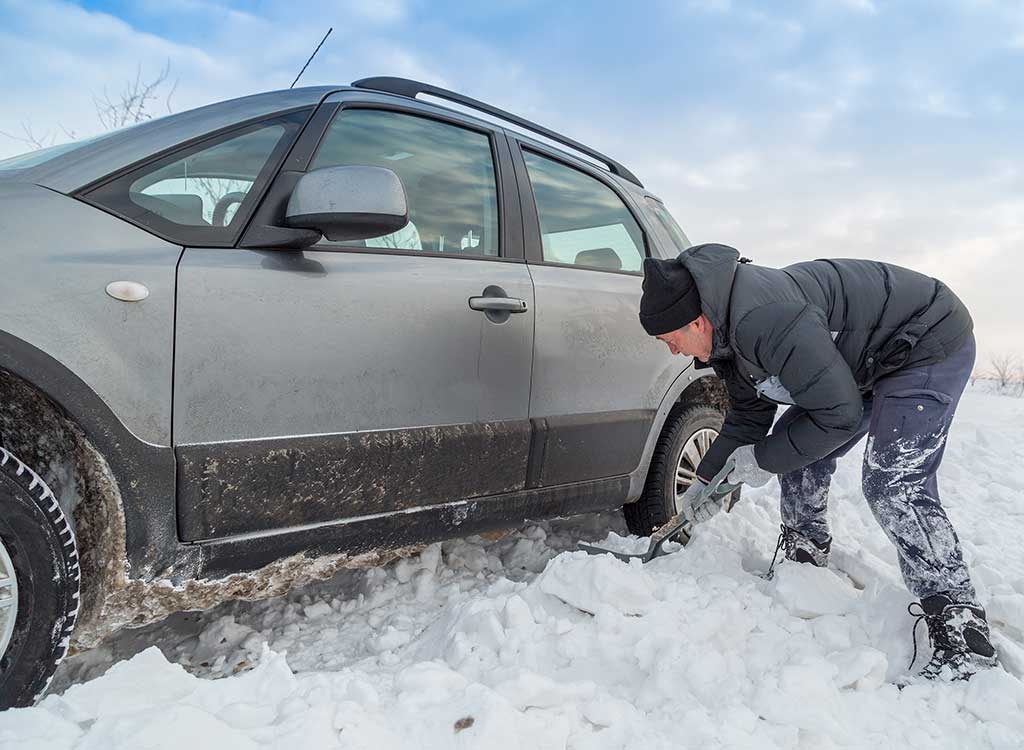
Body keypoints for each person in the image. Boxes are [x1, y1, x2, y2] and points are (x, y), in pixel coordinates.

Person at [639, 243, 997, 681]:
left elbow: (839, 415)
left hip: (925, 341)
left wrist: (762, 459)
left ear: (696, 321)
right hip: (864, 362)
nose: (673, 351)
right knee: (800, 448)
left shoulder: (765, 319)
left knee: (893, 481)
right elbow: (749, 417)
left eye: (670, 340)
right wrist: (708, 480)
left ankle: (963, 629)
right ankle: (805, 557)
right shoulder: (724, 334)